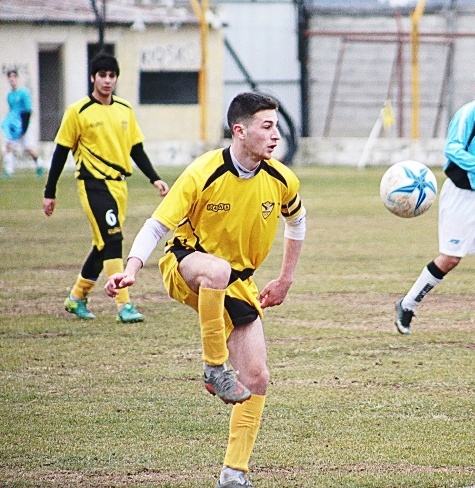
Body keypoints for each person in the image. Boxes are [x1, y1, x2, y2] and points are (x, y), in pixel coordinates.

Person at [104, 92, 306, 488]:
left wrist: (285, 279)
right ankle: (214, 366)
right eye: (267, 127)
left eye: (276, 127)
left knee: (258, 377)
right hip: (185, 263)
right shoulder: (203, 171)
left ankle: (234, 473)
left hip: (238, 283)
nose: (276, 136)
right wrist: (131, 268)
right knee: (215, 269)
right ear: (239, 130)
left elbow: (297, 224)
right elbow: (157, 224)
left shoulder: (282, 179)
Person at [394, 63, 475, 336]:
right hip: (462, 194)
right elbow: (453, 150)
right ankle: (407, 304)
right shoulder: (468, 113)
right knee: (450, 259)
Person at [42, 52, 170, 323]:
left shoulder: (124, 109)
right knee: (113, 239)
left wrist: (154, 177)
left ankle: (76, 297)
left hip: (119, 186)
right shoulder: (78, 112)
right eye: (102, 75)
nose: (107, 81)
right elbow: (60, 152)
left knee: (103, 244)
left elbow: (137, 149)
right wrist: (49, 192)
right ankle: (124, 306)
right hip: (92, 184)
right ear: (93, 78)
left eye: (112, 76)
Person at [2, 69, 44, 178]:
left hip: (25, 124)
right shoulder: (10, 95)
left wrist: (24, 127)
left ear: (17, 79)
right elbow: (12, 111)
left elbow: (28, 110)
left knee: (28, 149)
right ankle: (9, 171)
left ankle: (39, 164)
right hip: (15, 126)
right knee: (9, 145)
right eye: (10, 77)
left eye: (14, 77)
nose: (12, 79)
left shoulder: (24, 93)